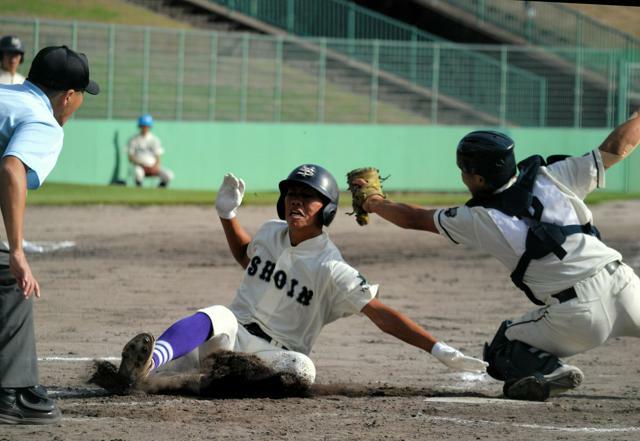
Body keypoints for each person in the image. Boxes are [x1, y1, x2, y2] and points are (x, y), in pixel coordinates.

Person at [347, 112, 640, 401]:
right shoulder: (554, 174)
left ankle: (549, 370)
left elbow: (414, 218)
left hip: (579, 315)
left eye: (464, 171)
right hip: (625, 284)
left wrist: (373, 201)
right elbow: (616, 148)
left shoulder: (478, 218)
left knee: (502, 349)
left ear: (478, 178)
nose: (462, 176)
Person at [117, 164, 487, 391]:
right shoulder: (269, 232)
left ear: (325, 210)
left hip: (275, 356)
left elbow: (381, 314)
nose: (296, 201)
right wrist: (227, 216)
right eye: (292, 194)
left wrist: (439, 349)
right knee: (217, 314)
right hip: (234, 334)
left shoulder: (333, 268)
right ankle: (147, 365)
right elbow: (248, 258)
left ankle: (219, 376)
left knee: (302, 370)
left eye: (307, 197)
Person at [0, 45, 100, 424]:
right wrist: (17, 250)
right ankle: (12, 393)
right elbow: (11, 172)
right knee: (10, 277)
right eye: (80, 97)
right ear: (68, 96)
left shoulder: (7, 95)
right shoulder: (43, 121)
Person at [127, 114, 174, 188]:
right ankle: (139, 190)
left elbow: (158, 156)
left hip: (153, 166)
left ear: (150, 127)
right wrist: (141, 163)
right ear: (139, 126)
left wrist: (156, 166)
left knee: (169, 175)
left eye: (147, 126)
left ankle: (159, 191)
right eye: (143, 126)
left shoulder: (154, 140)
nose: (145, 128)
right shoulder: (133, 140)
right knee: (137, 172)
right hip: (140, 166)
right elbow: (130, 157)